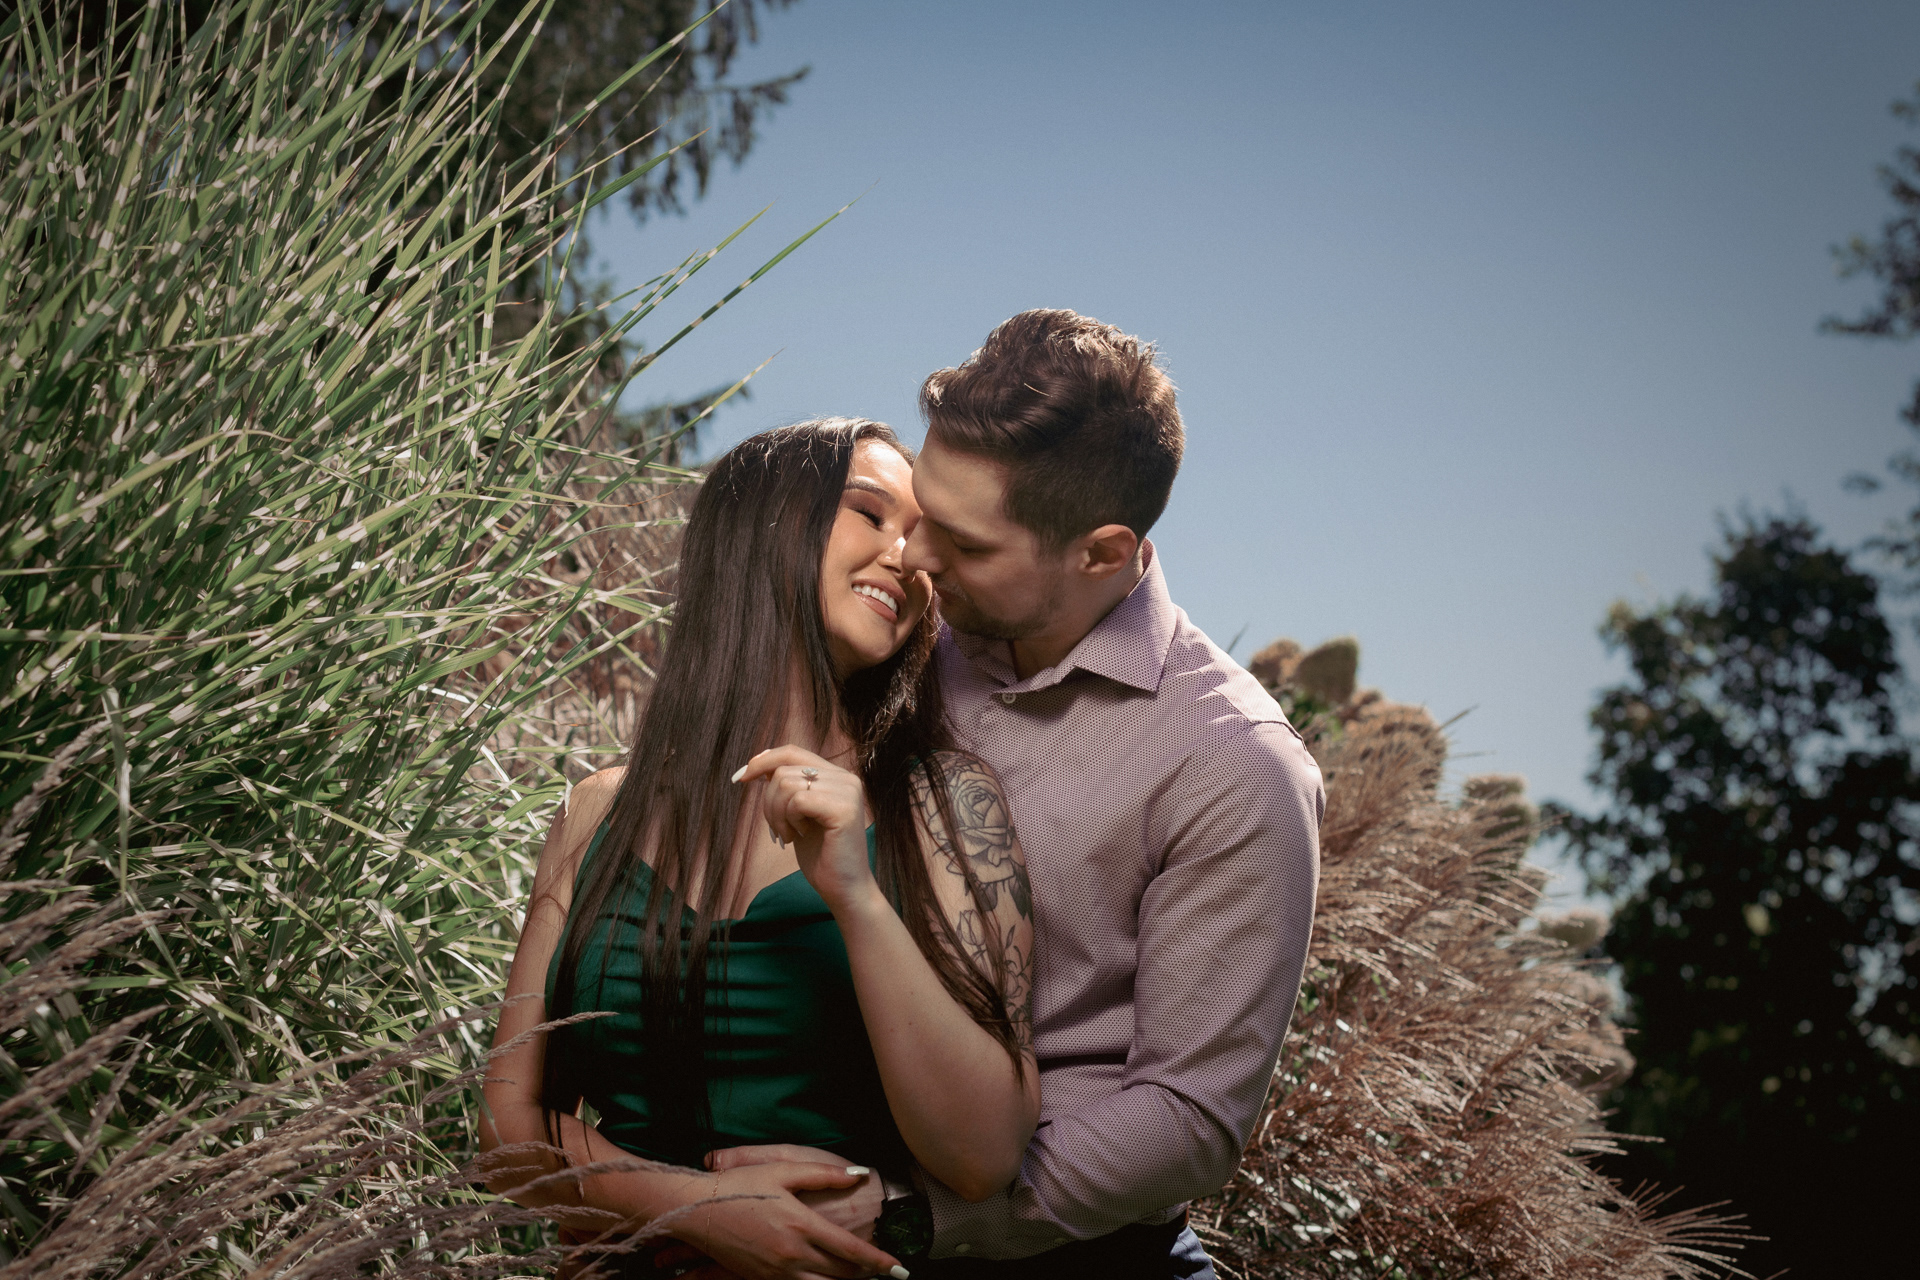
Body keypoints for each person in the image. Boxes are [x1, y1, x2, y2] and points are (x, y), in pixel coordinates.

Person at [706, 311, 1324, 1279]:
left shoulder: (1233, 762)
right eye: (919, 514)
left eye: (964, 540)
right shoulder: (903, 628)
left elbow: (1192, 1117)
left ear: (1102, 553)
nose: (915, 558)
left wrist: (907, 1218)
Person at [477, 419, 1040, 1280]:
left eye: (919, 537)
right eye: (871, 514)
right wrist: (699, 1205)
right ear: (768, 524)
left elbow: (986, 1155)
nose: (910, 557)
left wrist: (856, 895)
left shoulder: (943, 802)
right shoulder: (598, 812)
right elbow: (508, 1137)